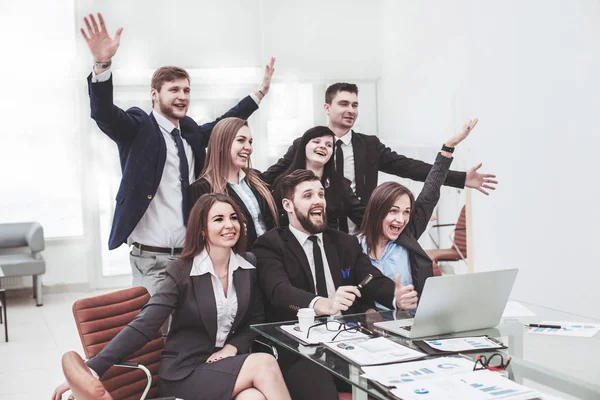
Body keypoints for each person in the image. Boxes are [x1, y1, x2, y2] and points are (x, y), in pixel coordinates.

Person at [80, 13, 275, 295]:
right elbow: (104, 114)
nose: (182, 95)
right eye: (174, 90)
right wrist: (102, 65)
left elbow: (224, 124)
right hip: (152, 259)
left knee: (194, 328)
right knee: (159, 332)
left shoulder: (191, 132)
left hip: (193, 253)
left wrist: (259, 94)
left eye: (186, 90)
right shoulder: (139, 128)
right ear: (154, 95)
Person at [52, 194, 291, 400]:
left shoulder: (248, 265)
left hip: (225, 365)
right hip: (185, 372)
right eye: (218, 219)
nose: (229, 225)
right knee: (264, 363)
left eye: (233, 217)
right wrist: (92, 368)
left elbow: (255, 320)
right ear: (202, 230)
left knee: (254, 397)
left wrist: (232, 347)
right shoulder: (182, 271)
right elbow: (145, 325)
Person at [252, 170, 417, 400]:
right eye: (308, 195)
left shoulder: (344, 242)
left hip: (351, 343)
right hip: (300, 352)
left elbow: (369, 277)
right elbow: (279, 291)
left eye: (321, 194)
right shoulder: (270, 244)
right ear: (288, 205)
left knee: (401, 385)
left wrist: (395, 295)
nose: (318, 200)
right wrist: (323, 304)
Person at [263, 83, 497, 232]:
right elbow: (270, 177)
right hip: (317, 231)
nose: (351, 110)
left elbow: (410, 167)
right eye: (343, 103)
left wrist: (459, 178)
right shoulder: (306, 145)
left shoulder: (369, 145)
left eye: (355, 104)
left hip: (363, 230)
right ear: (327, 108)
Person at [358, 118, 478, 310]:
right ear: (377, 212)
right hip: (369, 328)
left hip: (410, 322)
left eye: (406, 212)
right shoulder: (354, 248)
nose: (401, 219)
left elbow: (430, 191)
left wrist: (448, 147)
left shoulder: (408, 235)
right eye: (394, 211)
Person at [190, 118, 279, 248]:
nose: (248, 147)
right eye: (241, 140)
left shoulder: (256, 179)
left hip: (271, 259)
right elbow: (200, 240)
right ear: (221, 144)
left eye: (250, 142)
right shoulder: (202, 189)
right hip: (237, 263)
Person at [271, 126, 364, 232]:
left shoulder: (339, 184)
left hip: (328, 245)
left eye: (329, 145)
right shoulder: (284, 182)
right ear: (304, 146)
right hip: (290, 245)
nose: (323, 146)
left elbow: (361, 216)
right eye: (316, 142)